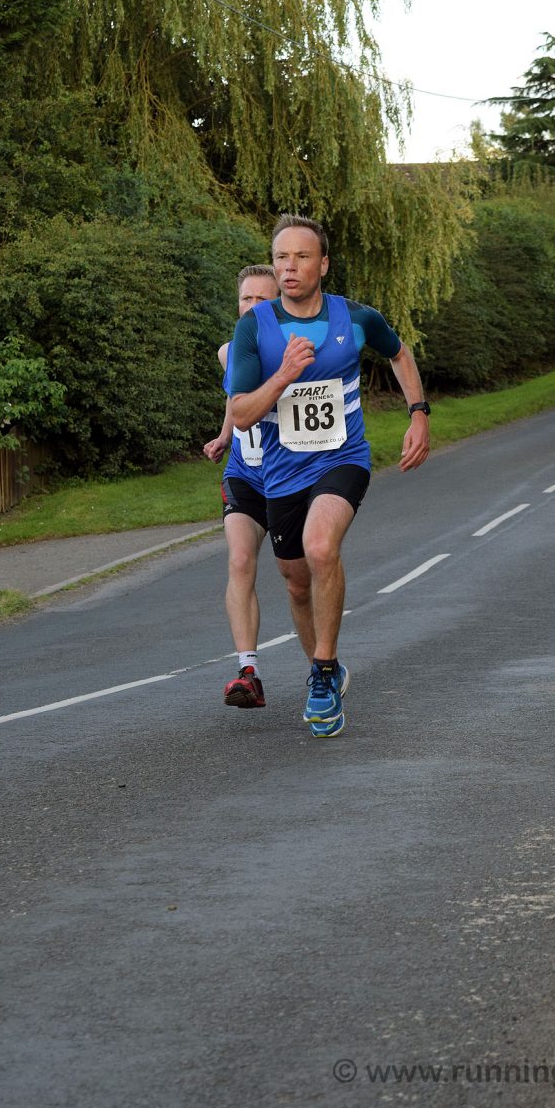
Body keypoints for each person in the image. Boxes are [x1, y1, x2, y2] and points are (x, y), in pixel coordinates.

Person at [229, 213, 431, 737]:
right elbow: (243, 413)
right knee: (296, 584)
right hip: (281, 471)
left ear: (323, 264)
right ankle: (327, 666)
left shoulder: (356, 317)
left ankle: (320, 675)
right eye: (280, 258)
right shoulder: (254, 327)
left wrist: (418, 413)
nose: (289, 267)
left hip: (342, 459)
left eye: (300, 257)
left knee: (321, 548)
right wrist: (284, 375)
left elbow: (400, 354)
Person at [203, 265, 279, 708]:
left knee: (299, 579)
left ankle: (322, 665)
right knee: (239, 559)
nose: (252, 308)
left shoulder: (298, 353)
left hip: (292, 477)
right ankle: (248, 672)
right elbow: (237, 400)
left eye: (262, 300)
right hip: (245, 473)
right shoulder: (228, 351)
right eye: (246, 300)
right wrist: (225, 436)